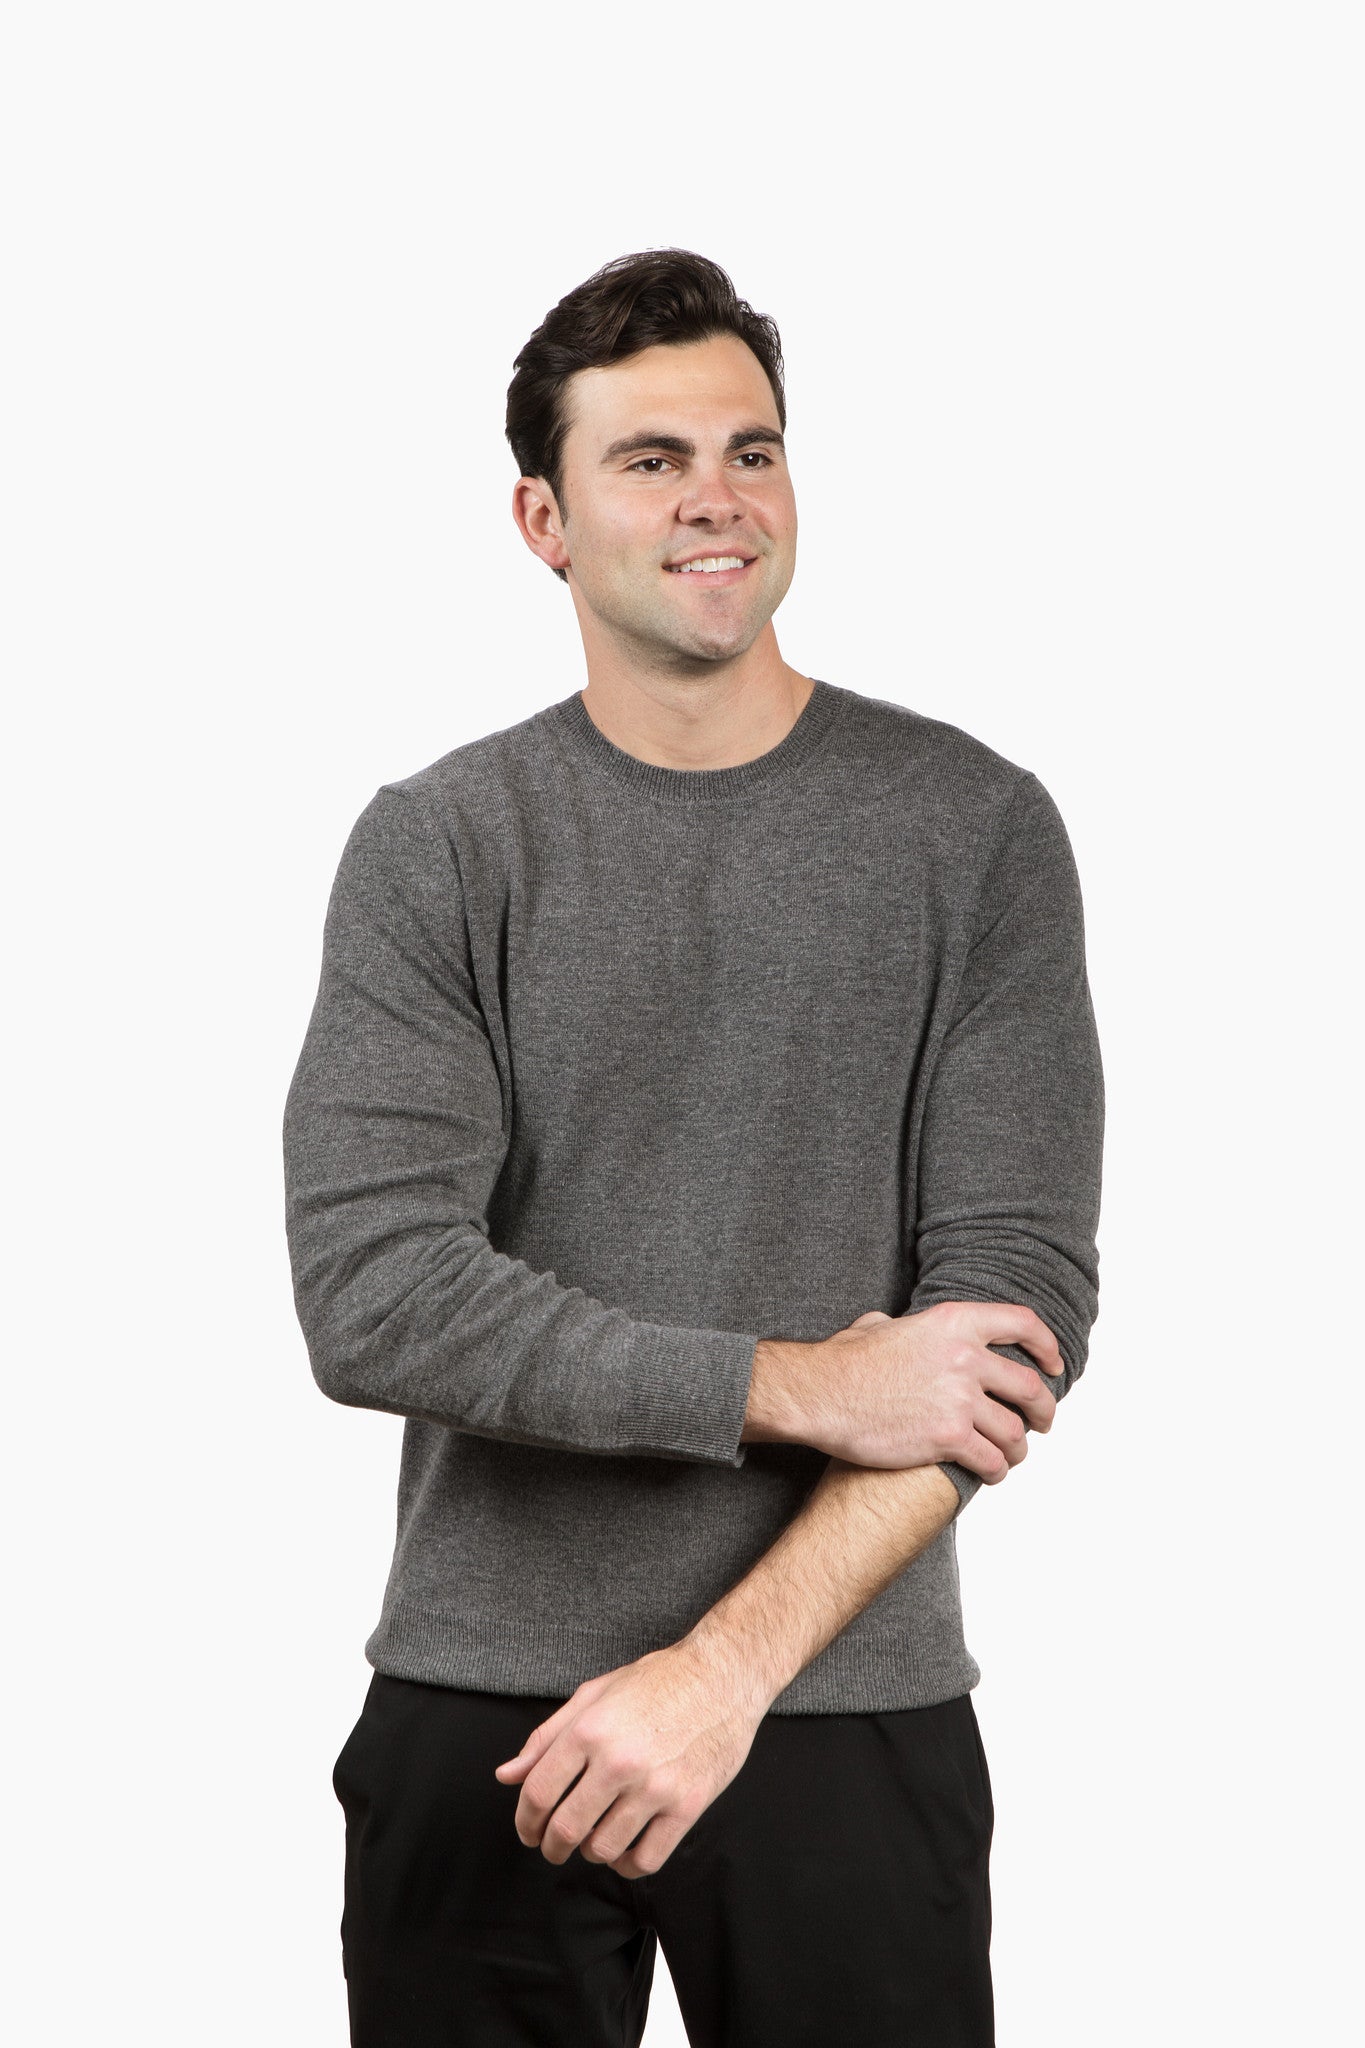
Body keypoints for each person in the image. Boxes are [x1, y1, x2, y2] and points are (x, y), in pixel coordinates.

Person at [282, 247, 1104, 2047]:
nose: (716, 498)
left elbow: (1007, 1329)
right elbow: (377, 1301)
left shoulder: (971, 829)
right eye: (650, 460)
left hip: (841, 1703)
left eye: (752, 451)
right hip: (482, 1705)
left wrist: (723, 1672)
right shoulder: (443, 843)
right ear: (543, 519)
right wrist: (800, 1385)